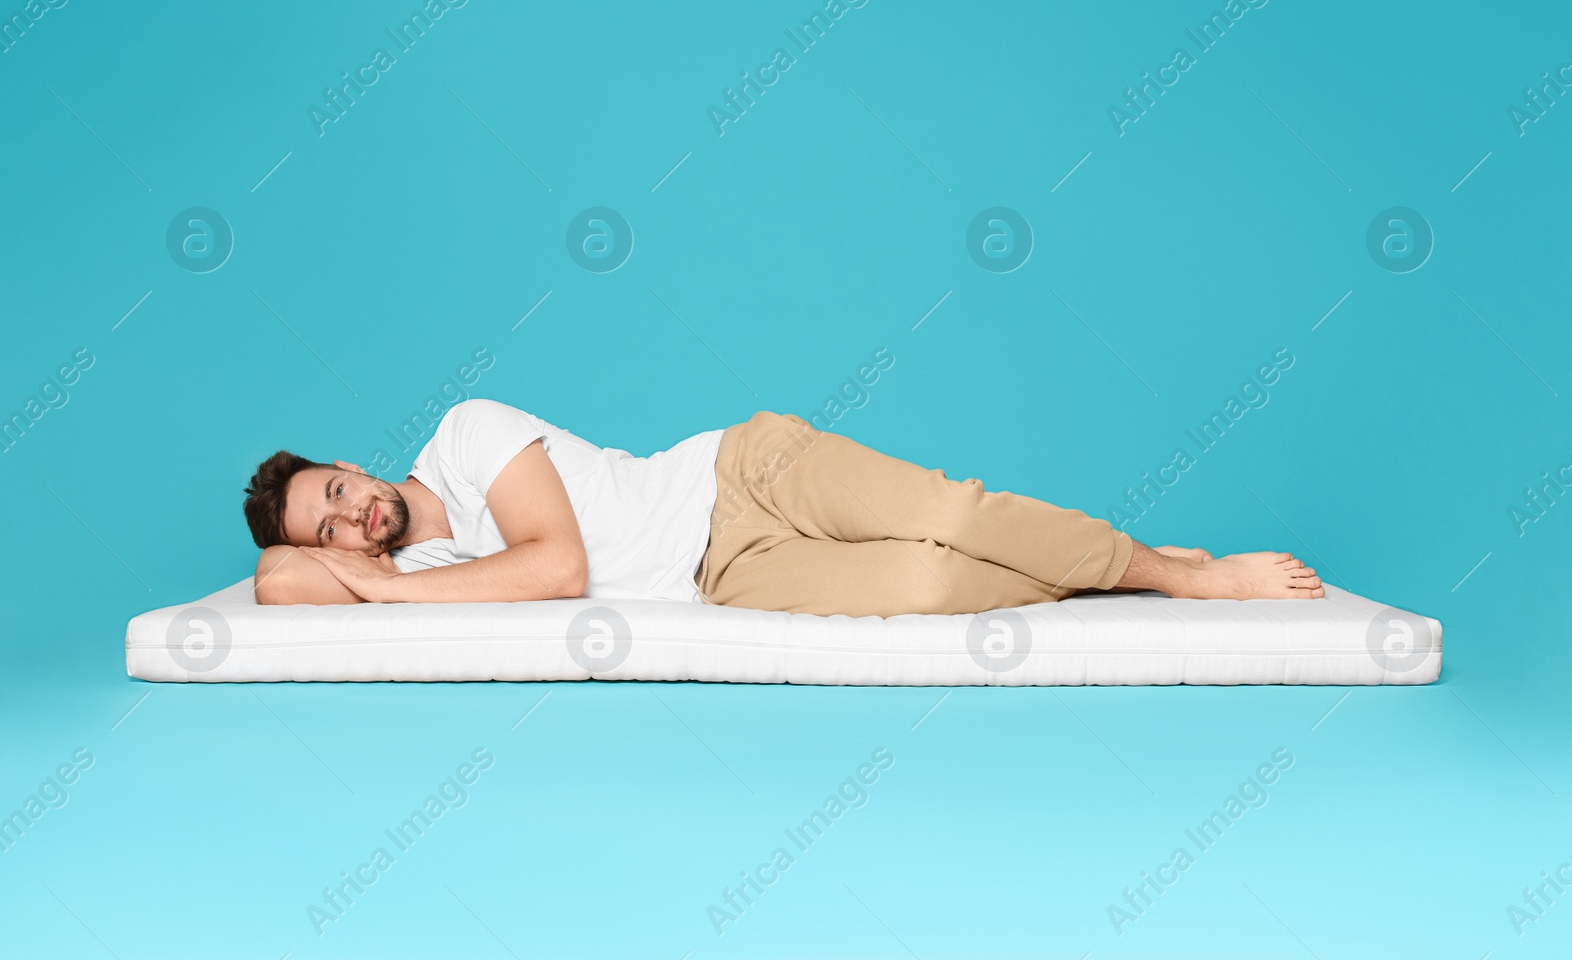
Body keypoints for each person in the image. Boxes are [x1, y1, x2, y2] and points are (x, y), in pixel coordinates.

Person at [243, 398, 1324, 614]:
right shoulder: (413, 579)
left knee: (948, 513)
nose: (353, 523)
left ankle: (1176, 571)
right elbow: (272, 579)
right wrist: (354, 573)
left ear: (355, 462)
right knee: (929, 580)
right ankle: (1104, 565)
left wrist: (375, 585)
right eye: (329, 527)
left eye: (338, 493)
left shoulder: (465, 432)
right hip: (723, 575)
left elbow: (557, 564)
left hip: (737, 473)